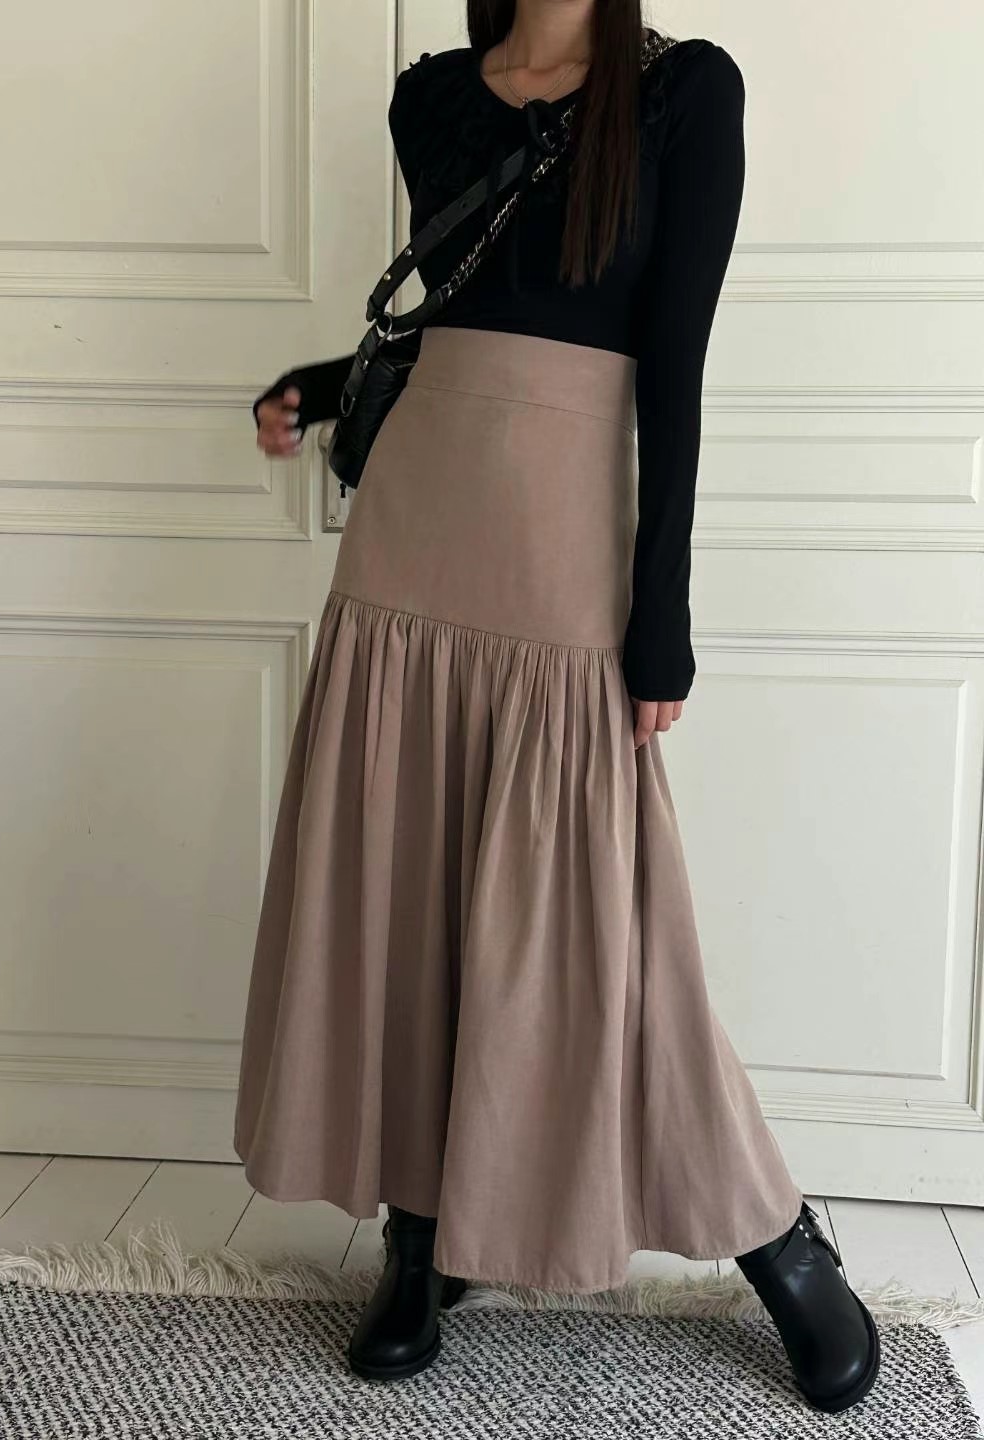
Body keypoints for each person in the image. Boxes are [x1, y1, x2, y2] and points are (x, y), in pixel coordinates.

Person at [234, 2, 879, 1415]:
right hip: (413, 540)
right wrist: (324, 387)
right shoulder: (432, 97)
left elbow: (673, 365)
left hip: (567, 552)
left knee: (609, 925)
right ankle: (421, 1238)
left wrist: (661, 619)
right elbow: (459, 328)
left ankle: (774, 1234)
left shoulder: (683, 93)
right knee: (406, 885)